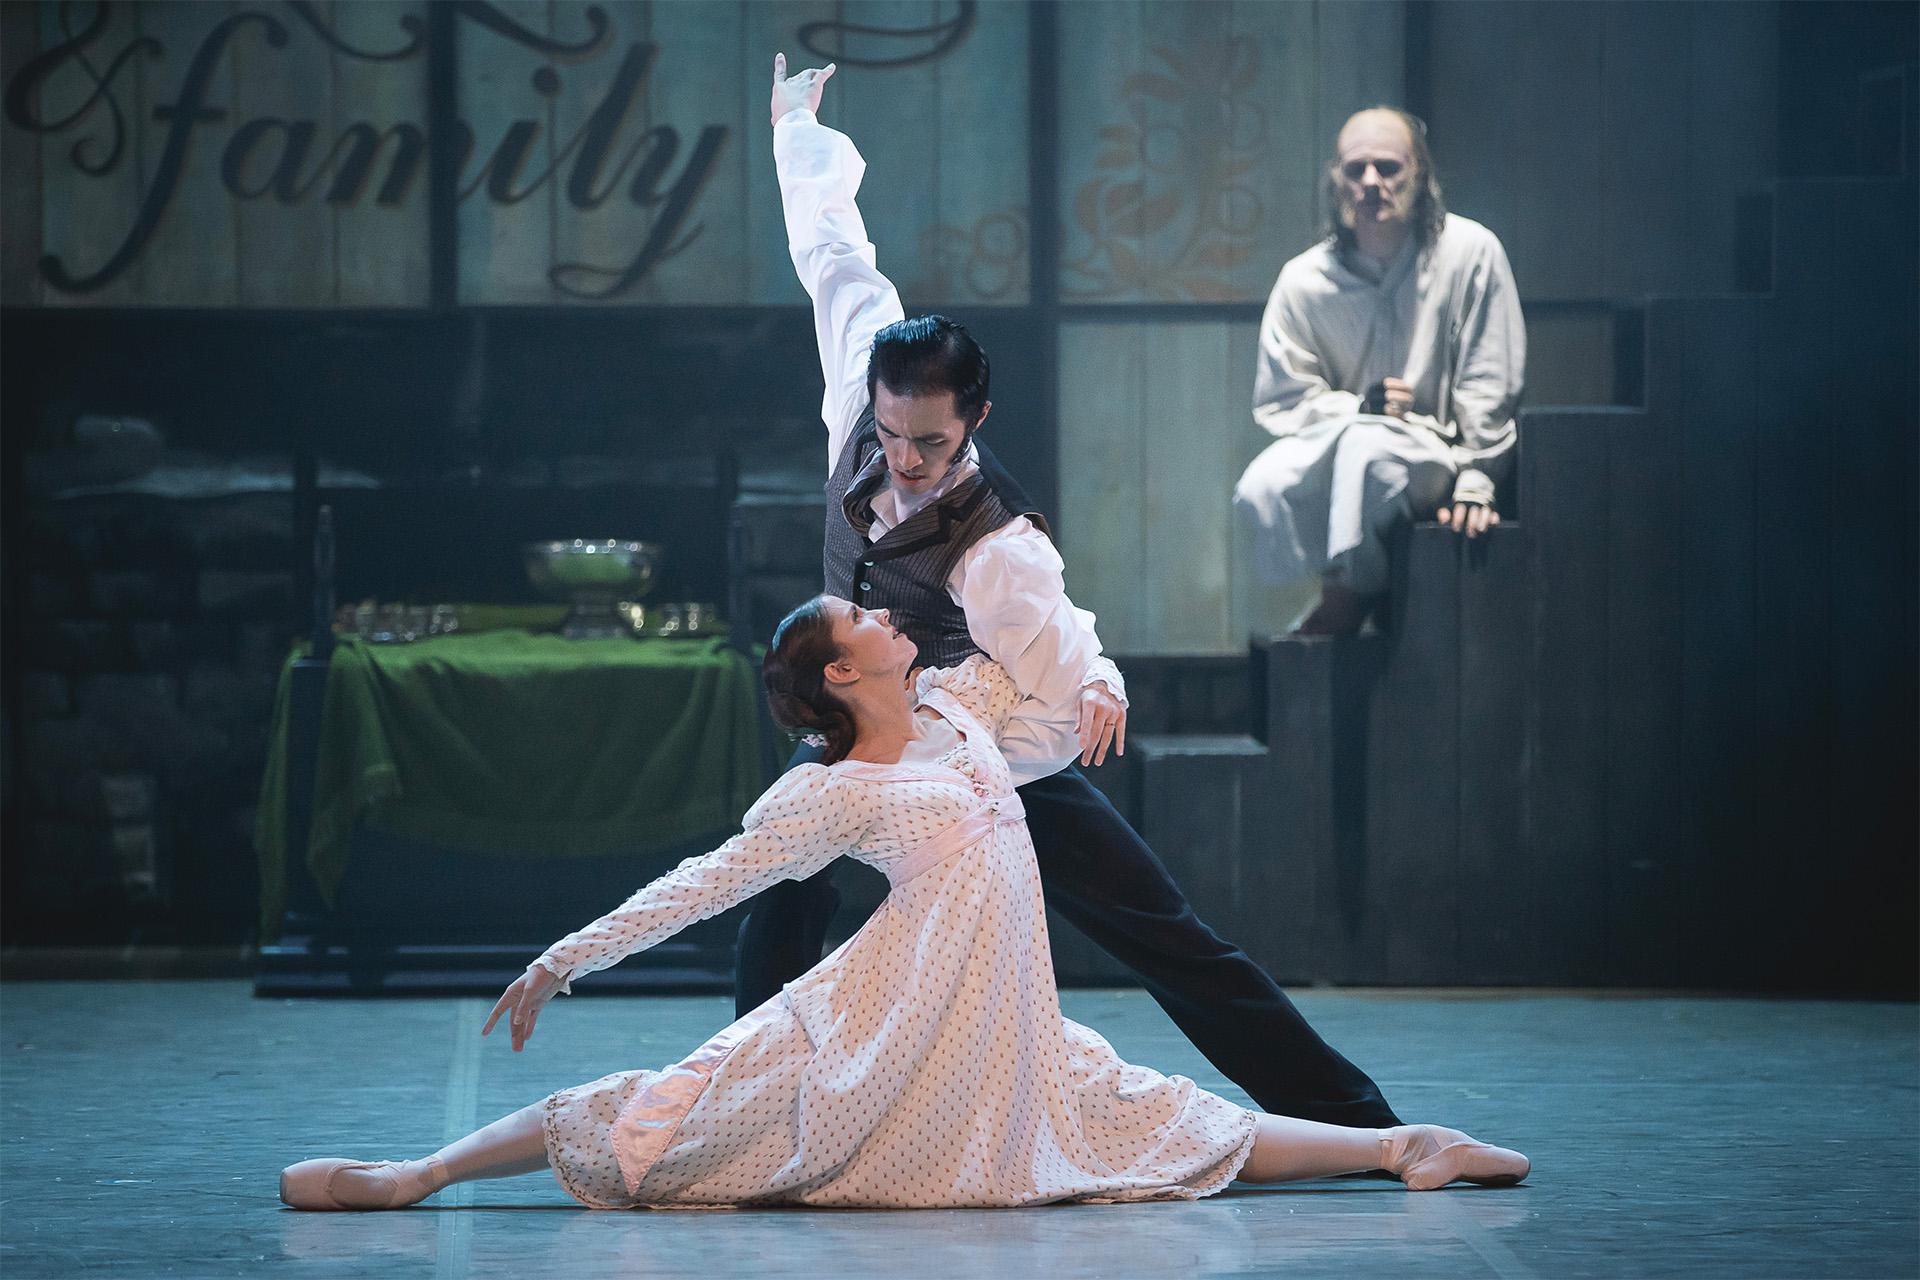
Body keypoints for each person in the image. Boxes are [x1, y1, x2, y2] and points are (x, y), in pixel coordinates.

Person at [279, 596, 1530, 1210]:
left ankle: (1396, 1143)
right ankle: (414, 1176)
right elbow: (706, 880)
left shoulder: (954, 702)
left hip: (1001, 1020)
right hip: (880, 1021)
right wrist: (565, 957)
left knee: (1149, 1117)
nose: (889, 614)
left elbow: (1053, 635)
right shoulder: (833, 790)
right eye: (867, 617)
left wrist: (1094, 674)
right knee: (662, 1117)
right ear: (840, 669)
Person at [738, 58, 1402, 1131]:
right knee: (782, 896)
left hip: (987, 755)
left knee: (1161, 930)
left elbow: (1051, 688)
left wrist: (1007, 732)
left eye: (934, 442)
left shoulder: (1000, 545)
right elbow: (831, 249)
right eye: (895, 434)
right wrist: (791, 128)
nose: (905, 459)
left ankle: (1357, 1119)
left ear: (978, 417)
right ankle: (750, 1109)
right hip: (861, 729)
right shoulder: (866, 377)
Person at [1233, 107, 1526, 635]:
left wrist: (1479, 480)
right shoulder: (1304, 280)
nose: (1371, 183)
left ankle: (1347, 596)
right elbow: (1281, 396)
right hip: (1340, 439)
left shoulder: (1470, 254)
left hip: (1436, 451)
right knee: (1264, 484)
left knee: (1369, 456)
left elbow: (1490, 377)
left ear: (1420, 175)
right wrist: (1355, 407)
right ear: (1335, 179)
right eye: (1356, 169)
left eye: (1388, 168)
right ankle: (1344, 582)